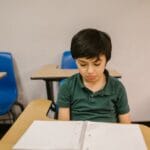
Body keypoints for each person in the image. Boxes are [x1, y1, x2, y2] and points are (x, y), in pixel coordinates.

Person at [57, 28, 131, 123]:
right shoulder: (67, 87)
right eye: (83, 64)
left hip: (109, 135)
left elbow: (126, 125)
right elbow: (64, 125)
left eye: (97, 64)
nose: (90, 71)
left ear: (106, 61)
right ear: (75, 61)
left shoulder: (117, 87)